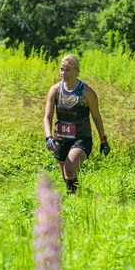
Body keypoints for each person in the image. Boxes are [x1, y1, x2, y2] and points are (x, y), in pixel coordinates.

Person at [43, 54, 110, 194]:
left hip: (81, 139)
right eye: (61, 69)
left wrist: (103, 140)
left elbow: (96, 116)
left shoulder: (86, 92)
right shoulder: (55, 90)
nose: (63, 73)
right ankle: (78, 198)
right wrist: (48, 137)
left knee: (69, 168)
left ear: (76, 71)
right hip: (60, 139)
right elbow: (47, 117)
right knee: (68, 177)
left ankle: (74, 200)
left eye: (67, 70)